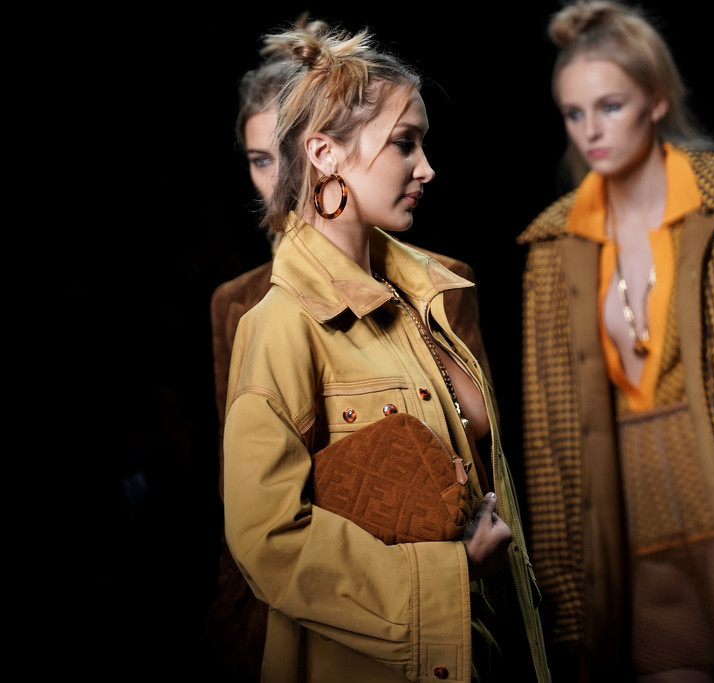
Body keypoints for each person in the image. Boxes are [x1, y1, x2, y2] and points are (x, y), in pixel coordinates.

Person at [221, 20, 550, 681]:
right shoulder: (282, 324)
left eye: (422, 143)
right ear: (325, 153)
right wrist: (452, 572)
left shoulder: (426, 299)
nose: (427, 167)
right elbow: (267, 536)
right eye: (405, 142)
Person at [517, 2, 714, 681]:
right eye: (573, 113)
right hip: (628, 538)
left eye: (610, 106)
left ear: (657, 100)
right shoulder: (555, 248)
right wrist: (567, 584)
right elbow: (550, 435)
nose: (591, 130)